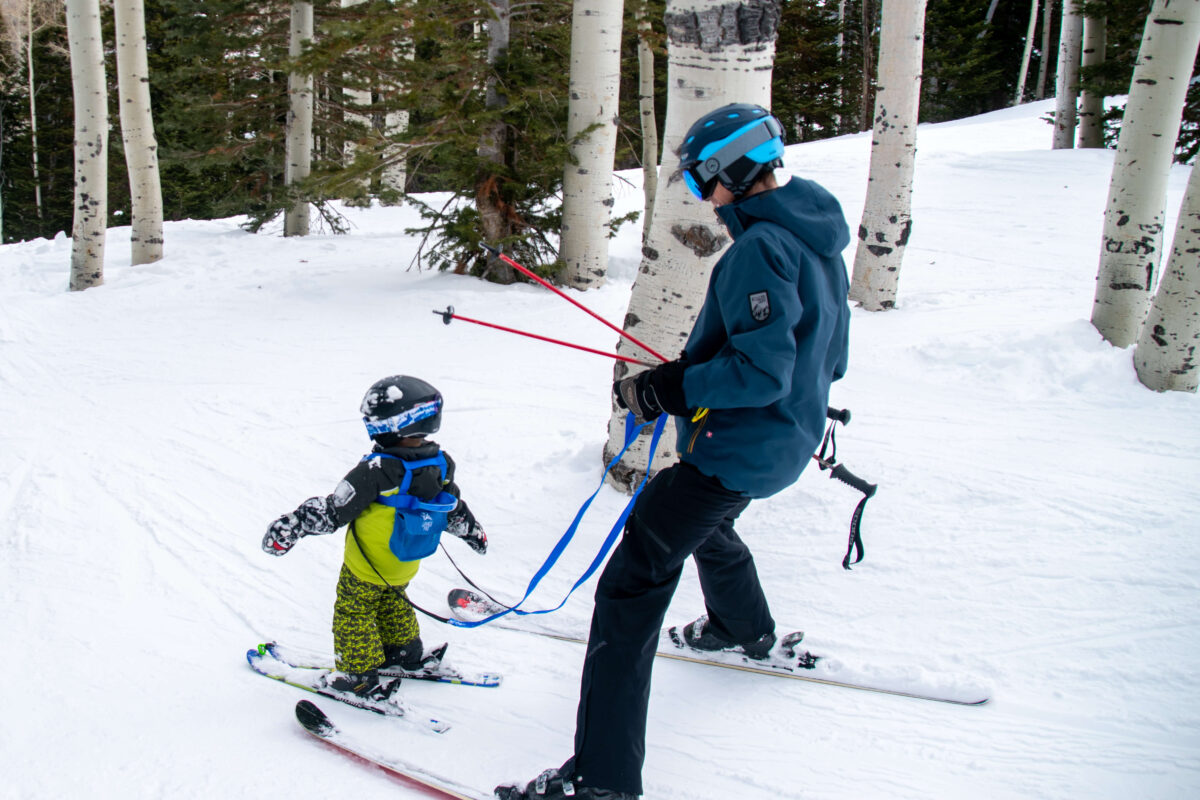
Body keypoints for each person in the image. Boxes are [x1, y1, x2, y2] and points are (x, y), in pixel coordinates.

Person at [495, 103, 851, 800]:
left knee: (632, 583)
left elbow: (760, 372)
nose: (698, 196)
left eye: (697, 181)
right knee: (705, 524)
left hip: (739, 447)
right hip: (786, 440)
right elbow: (826, 355)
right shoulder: (814, 234)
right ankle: (736, 626)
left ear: (728, 172)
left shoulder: (759, 248)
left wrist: (670, 387)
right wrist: (701, 379)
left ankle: (602, 780)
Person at [261, 375, 488, 701]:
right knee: (393, 603)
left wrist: (291, 527)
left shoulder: (377, 469)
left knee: (354, 612)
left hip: (367, 565)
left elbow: (332, 510)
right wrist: (472, 531)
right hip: (405, 561)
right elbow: (452, 507)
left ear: (394, 425)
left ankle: (356, 675)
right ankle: (404, 655)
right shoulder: (440, 463)